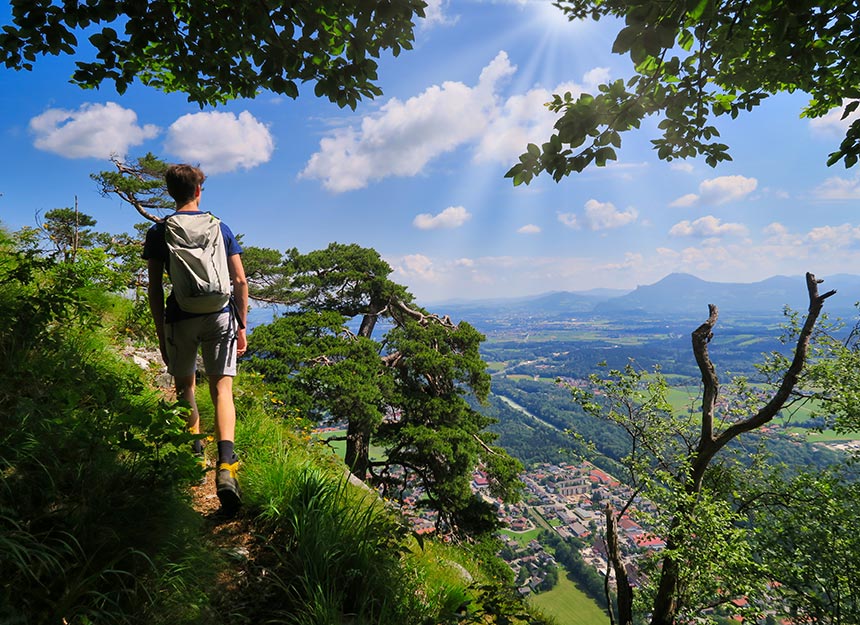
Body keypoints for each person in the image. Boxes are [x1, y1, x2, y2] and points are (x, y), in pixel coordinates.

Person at [142, 164, 248, 513]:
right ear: (199, 190)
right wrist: (242, 325)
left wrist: (161, 332)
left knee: (185, 387)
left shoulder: (160, 231)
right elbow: (240, 281)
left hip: (180, 317)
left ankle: (195, 458)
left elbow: (155, 288)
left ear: (170, 192)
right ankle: (226, 465)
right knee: (222, 388)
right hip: (220, 315)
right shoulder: (220, 227)